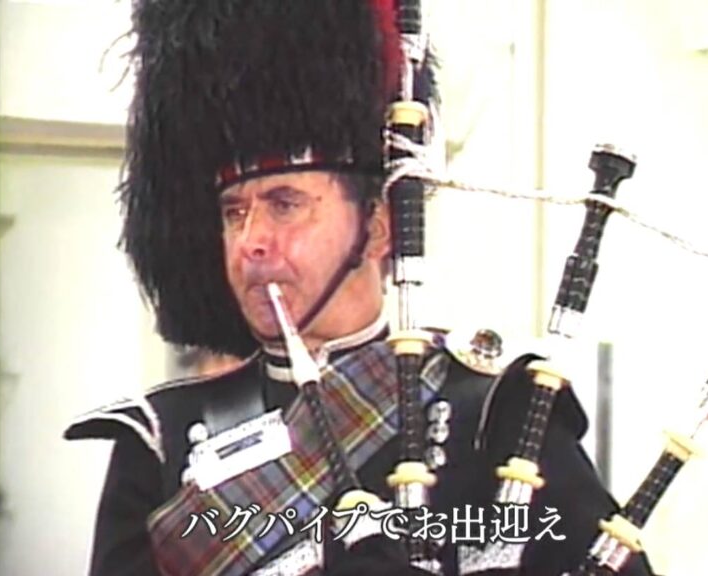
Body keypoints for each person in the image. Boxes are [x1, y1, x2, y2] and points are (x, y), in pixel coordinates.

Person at [65, 2, 655, 575]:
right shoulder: (161, 441)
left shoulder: (497, 415)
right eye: (233, 213)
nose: (250, 241)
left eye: (285, 204)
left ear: (376, 227)